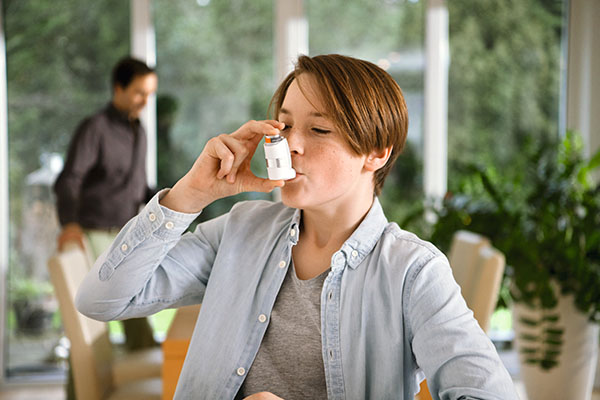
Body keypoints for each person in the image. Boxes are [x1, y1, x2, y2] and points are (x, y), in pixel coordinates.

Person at [75, 54, 519, 399]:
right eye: (284, 124)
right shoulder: (242, 229)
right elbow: (101, 300)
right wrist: (193, 193)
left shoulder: (412, 272)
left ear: (376, 153)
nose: (290, 144)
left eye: (319, 130)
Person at [54, 56, 158, 351]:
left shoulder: (139, 131)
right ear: (118, 88)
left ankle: (149, 387)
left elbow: (138, 186)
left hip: (126, 233)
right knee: (92, 328)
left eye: (149, 94)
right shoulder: (95, 128)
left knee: (137, 311)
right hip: (94, 233)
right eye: (139, 93)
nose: (144, 101)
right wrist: (70, 223)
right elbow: (70, 179)